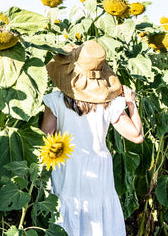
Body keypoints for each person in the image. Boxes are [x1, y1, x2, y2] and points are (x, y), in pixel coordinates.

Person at [40, 40, 143, 236]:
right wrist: (131, 104)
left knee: (66, 218)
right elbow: (136, 136)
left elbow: (46, 137)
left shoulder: (55, 100)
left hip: (67, 167)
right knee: (99, 224)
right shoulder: (110, 104)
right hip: (98, 168)